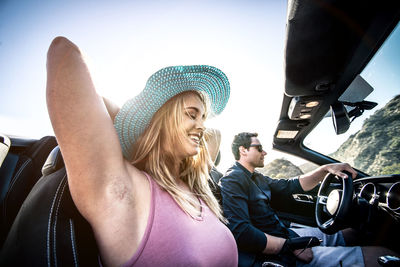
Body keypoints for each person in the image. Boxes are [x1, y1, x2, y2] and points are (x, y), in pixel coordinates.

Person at [46, 36, 238, 267]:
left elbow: (214, 136)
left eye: (203, 117)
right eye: (191, 114)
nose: (202, 125)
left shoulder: (197, 187)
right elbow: (64, 52)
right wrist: (135, 122)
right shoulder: (125, 191)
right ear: (161, 122)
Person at [220, 132, 397, 267]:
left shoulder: (256, 177)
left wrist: (325, 169)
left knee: (354, 233)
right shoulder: (233, 179)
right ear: (243, 150)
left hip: (286, 235)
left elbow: (292, 186)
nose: (264, 152)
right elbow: (241, 232)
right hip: (280, 252)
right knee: (382, 254)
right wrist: (287, 246)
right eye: (259, 148)